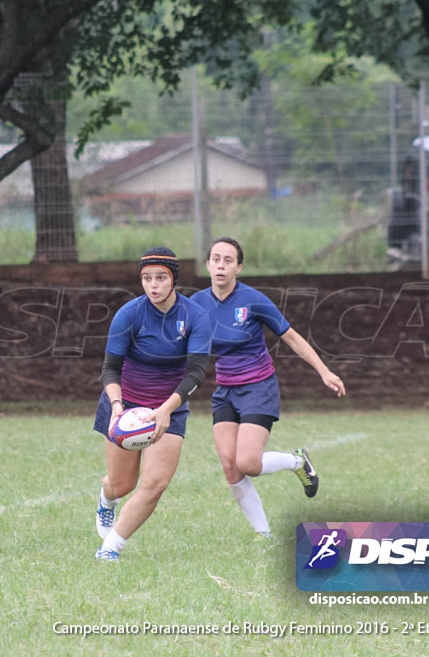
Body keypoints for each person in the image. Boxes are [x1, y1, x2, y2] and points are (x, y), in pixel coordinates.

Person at [191, 237, 346, 538]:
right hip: (225, 392)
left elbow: (293, 338)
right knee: (230, 468)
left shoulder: (254, 300)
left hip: (258, 389)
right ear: (208, 264)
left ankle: (297, 461)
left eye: (228, 260)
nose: (221, 265)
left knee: (247, 462)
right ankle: (264, 535)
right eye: (216, 259)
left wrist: (324, 371)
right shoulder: (196, 305)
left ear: (239, 267)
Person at [93, 247, 211, 561]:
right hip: (125, 404)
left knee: (155, 484)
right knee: (122, 485)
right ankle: (107, 500)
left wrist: (166, 409)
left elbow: (197, 371)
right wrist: (117, 406)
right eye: (147, 278)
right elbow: (110, 368)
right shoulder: (129, 314)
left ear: (174, 280)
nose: (153, 285)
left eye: (160, 277)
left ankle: (110, 548)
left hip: (169, 407)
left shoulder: (195, 316)